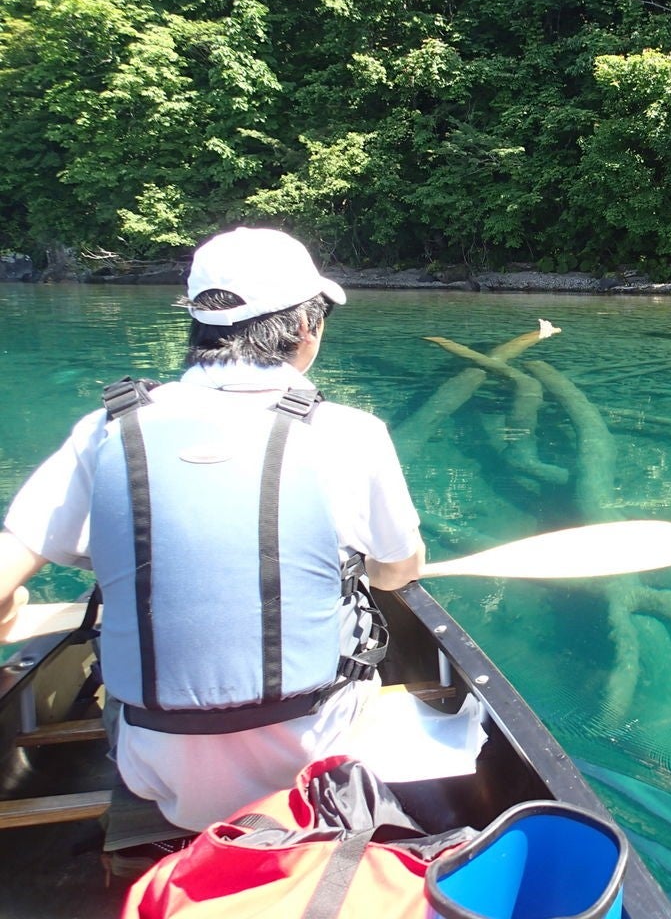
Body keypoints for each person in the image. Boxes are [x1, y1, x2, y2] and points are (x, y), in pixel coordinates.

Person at [0, 226, 427, 831]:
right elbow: (397, 572)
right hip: (305, 763)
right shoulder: (351, 433)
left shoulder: (106, 429)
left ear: (199, 326)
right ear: (306, 329)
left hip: (154, 770)